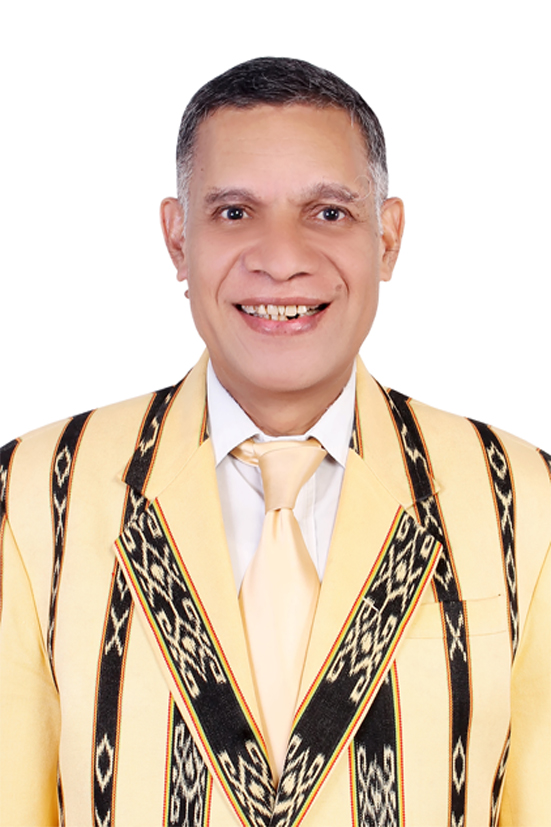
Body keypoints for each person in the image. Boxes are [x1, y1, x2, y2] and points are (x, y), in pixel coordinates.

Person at [0, 57, 549, 827]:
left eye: (327, 212)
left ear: (387, 237)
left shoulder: (519, 494)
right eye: (234, 212)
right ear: (177, 237)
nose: (281, 258)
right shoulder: (38, 492)